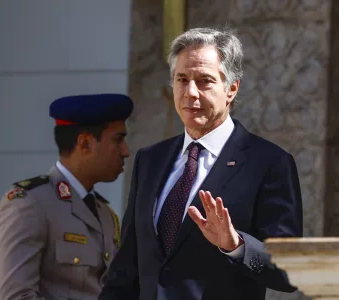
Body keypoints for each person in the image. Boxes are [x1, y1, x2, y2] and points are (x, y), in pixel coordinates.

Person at [99, 28, 303, 300]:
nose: (190, 92)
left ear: (231, 88)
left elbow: (289, 271)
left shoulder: (268, 163)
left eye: (204, 81)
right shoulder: (151, 160)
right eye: (181, 79)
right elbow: (126, 268)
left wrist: (236, 246)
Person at [0, 93, 133, 300]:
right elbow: (15, 297)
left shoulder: (105, 213)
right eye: (118, 139)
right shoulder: (30, 204)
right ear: (84, 143)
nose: (126, 151)